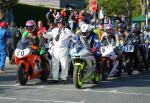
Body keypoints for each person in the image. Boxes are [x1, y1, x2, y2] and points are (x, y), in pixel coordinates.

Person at [46, 18, 75, 84]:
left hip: (64, 49)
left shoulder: (67, 30)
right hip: (55, 49)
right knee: (55, 64)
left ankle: (63, 78)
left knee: (64, 64)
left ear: (63, 24)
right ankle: (55, 78)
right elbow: (49, 35)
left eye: (60, 23)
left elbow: (73, 37)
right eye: (58, 23)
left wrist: (72, 36)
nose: (59, 24)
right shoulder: (54, 30)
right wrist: (44, 33)